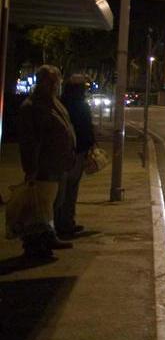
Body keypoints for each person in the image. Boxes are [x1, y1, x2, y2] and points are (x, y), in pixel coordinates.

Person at [15, 65, 76, 258]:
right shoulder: (33, 106)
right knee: (39, 209)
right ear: (41, 82)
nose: (55, 85)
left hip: (58, 164)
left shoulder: (52, 102)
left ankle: (48, 238)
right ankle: (34, 246)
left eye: (56, 80)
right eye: (51, 81)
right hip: (44, 166)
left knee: (52, 205)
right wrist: (31, 168)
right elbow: (29, 141)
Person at [57, 74, 95, 238]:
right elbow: (84, 128)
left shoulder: (62, 103)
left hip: (74, 151)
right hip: (72, 152)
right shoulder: (75, 105)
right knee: (66, 191)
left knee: (68, 191)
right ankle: (63, 225)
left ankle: (66, 223)